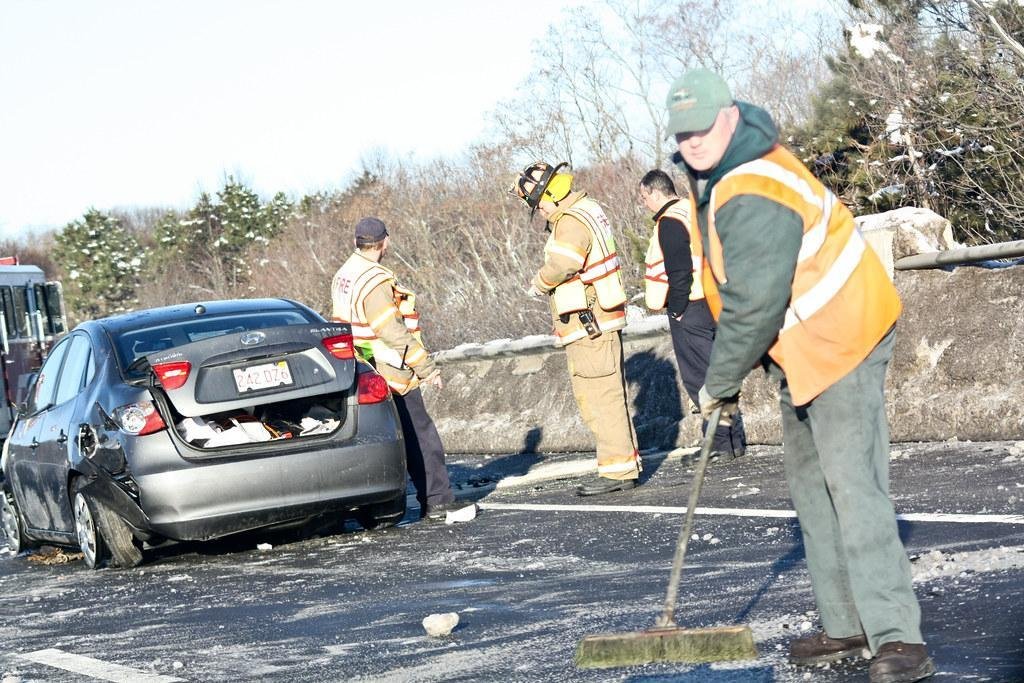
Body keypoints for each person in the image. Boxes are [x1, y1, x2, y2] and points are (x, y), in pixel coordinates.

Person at [665, 69, 934, 683]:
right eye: (684, 134)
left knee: (852, 486)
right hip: (801, 345)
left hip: (844, 335)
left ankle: (898, 637)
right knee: (812, 489)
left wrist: (719, 381)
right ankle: (845, 623)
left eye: (704, 127)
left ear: (729, 116)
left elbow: (755, 302)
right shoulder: (721, 173)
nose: (695, 141)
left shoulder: (752, 185)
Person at [511, 162, 642, 496]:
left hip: (590, 324)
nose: (539, 211)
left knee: (599, 396)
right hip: (598, 320)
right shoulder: (587, 209)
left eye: (538, 204)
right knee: (606, 394)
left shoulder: (570, 221)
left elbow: (564, 264)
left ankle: (617, 472)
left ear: (551, 195)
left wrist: (539, 283)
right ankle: (622, 465)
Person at [331, 217, 474, 521]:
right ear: (385, 242)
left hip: (360, 371)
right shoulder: (374, 280)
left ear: (357, 242)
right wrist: (425, 367)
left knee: (378, 440)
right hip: (390, 371)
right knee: (421, 435)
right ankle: (438, 500)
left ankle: (375, 510)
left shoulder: (345, 274)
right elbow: (392, 331)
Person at [639, 168, 747, 462]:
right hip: (712, 300)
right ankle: (732, 441)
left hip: (690, 307)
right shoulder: (692, 211)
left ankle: (720, 444)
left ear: (655, 192)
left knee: (699, 378)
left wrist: (676, 309)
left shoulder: (670, 222)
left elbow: (679, 271)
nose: (645, 203)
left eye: (644, 196)